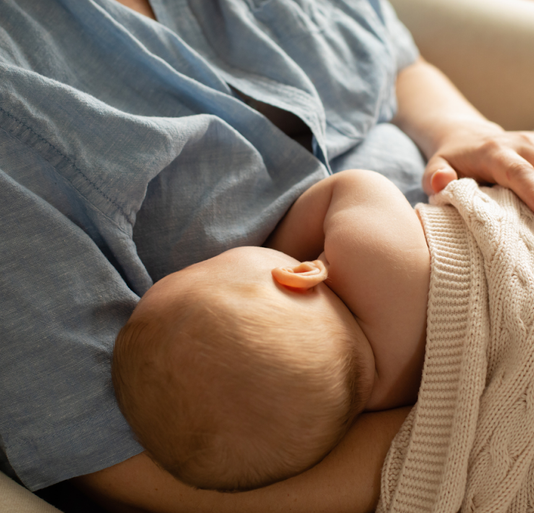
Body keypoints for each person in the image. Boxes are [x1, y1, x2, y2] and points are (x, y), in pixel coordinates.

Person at [0, 0, 534, 513]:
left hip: (524, 250)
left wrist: (464, 130)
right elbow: (153, 489)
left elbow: (392, 59)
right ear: (303, 272)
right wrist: (510, 422)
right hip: (493, 391)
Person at [112, 169, 434, 493]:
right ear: (299, 275)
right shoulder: (375, 267)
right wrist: (280, 246)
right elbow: (358, 185)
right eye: (203, 265)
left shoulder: (385, 403)